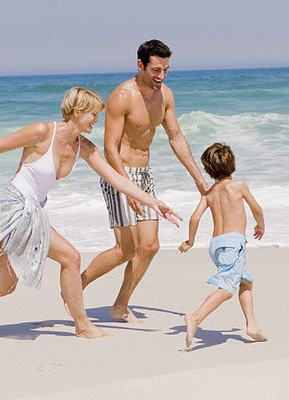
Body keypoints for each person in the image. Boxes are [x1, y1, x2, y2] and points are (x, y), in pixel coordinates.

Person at [0, 87, 180, 342]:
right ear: (77, 111)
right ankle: (82, 326)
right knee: (70, 258)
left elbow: (115, 178)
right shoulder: (42, 132)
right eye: (93, 115)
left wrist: (153, 202)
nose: (97, 120)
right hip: (15, 206)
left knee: (4, 284)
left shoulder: (84, 147)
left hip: (32, 210)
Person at [80, 39, 210, 322]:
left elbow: (175, 137)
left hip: (145, 174)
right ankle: (75, 288)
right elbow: (109, 148)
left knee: (149, 246)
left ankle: (119, 305)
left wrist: (198, 178)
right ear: (140, 65)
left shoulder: (165, 96)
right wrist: (126, 188)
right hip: (118, 174)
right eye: (155, 70)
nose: (161, 76)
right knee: (125, 250)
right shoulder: (122, 96)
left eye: (165, 70)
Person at [178, 142, 268, 348]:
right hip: (232, 245)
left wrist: (190, 242)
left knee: (245, 281)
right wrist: (260, 226)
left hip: (216, 246)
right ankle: (196, 317)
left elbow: (194, 217)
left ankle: (251, 325)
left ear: (208, 171)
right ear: (235, 163)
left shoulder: (209, 194)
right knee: (227, 288)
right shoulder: (239, 185)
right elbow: (257, 208)